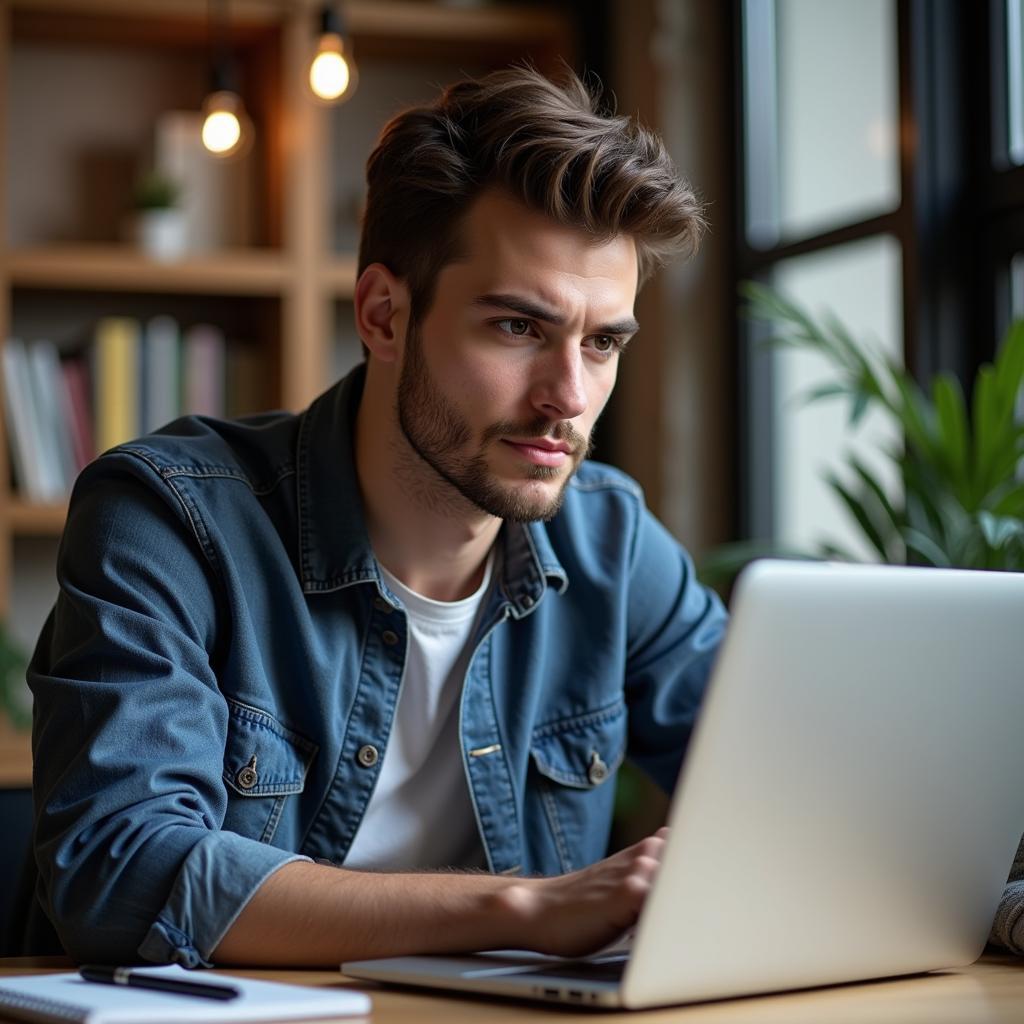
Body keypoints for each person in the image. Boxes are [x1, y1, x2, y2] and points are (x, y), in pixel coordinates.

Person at [24, 66, 729, 967]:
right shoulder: (170, 520)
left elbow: (792, 790)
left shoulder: (612, 543)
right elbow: (120, 874)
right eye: (517, 328)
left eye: (601, 343)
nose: (569, 397)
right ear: (383, 315)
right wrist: (522, 908)